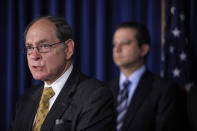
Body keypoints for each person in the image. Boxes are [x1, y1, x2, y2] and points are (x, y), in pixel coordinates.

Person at [9, 16, 115, 131]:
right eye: (29, 47)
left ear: (68, 49)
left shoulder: (95, 96)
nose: (34, 56)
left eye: (44, 46)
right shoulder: (26, 99)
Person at [108, 22, 187, 131]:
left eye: (125, 43)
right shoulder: (105, 89)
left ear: (143, 49)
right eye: (114, 44)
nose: (117, 49)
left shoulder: (164, 90)